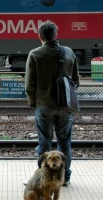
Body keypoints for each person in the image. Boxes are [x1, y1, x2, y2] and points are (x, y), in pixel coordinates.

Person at [25, 21, 80, 186]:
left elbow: (30, 84)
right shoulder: (69, 53)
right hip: (65, 107)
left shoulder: (35, 54)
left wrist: (33, 103)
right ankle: (65, 178)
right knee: (65, 144)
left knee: (44, 144)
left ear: (40, 36)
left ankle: (44, 178)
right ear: (56, 35)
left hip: (44, 106)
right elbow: (76, 80)